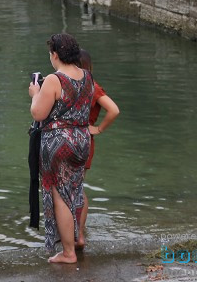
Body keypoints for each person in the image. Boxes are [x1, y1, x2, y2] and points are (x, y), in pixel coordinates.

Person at [29, 33, 95, 264]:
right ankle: (77, 238)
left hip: (59, 142)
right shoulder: (87, 76)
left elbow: (38, 113)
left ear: (55, 54)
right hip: (82, 139)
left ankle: (68, 253)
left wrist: (35, 94)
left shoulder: (55, 80)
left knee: (59, 195)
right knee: (75, 190)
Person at [74, 49, 119, 248]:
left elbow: (114, 110)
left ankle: (76, 234)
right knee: (77, 188)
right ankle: (79, 233)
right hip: (85, 140)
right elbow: (113, 110)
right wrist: (96, 129)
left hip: (74, 139)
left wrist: (99, 129)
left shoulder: (72, 85)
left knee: (70, 189)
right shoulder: (93, 87)